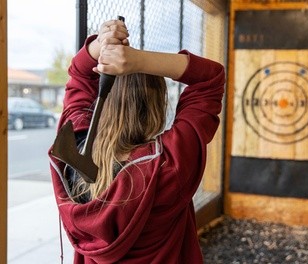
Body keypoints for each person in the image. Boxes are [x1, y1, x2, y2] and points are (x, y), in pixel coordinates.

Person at [48, 18, 225, 263]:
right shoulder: (169, 164)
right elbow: (210, 78)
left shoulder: (70, 153)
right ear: (157, 106)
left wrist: (101, 44)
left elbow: (78, 74)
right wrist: (141, 61)